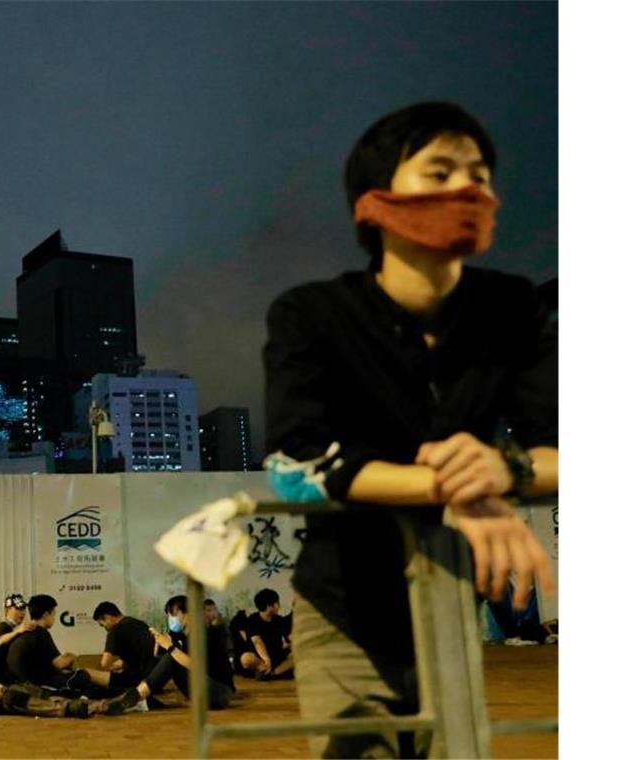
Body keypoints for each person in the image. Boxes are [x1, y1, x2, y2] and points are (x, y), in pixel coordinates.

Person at [263, 101, 557, 757]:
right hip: (343, 602)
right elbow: (293, 462)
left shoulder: (512, 308)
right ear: (375, 201)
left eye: (479, 173)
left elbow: (566, 445)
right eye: (440, 171)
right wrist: (451, 485)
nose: (467, 189)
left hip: (450, 599)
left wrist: (505, 468)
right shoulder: (311, 315)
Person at [105, 595, 236, 713]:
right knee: (162, 659)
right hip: (205, 688)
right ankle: (138, 698)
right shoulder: (185, 636)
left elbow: (195, 665)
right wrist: (160, 643)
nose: (171, 619)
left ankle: (135, 697)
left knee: (172, 658)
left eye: (173, 614)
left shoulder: (204, 633)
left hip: (219, 692)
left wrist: (169, 646)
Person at [5, 594, 87, 691]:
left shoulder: (23, 631)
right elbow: (60, 663)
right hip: (39, 684)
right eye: (53, 614)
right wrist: (72, 656)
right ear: (46, 614)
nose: (54, 618)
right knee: (84, 675)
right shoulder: (41, 633)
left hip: (21, 682)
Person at [89, 601, 157, 692]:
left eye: (102, 625)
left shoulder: (115, 631)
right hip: (154, 679)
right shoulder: (140, 624)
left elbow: (104, 664)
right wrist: (121, 664)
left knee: (87, 674)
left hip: (135, 681)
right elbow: (141, 654)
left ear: (107, 617)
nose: (104, 628)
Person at [237, 589, 293, 680]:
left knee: (297, 654)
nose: (279, 606)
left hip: (276, 656)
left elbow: (289, 638)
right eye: (277, 603)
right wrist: (266, 659)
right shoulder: (253, 620)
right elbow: (257, 641)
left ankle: (271, 674)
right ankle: (263, 670)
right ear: (269, 606)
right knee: (246, 658)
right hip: (260, 658)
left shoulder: (279, 620)